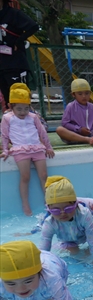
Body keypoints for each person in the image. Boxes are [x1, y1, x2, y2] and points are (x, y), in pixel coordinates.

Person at [1, 83, 54, 216]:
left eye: (26, 108)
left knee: (44, 175)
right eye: (19, 109)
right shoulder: (7, 118)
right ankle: (25, 204)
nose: (23, 112)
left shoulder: (33, 117)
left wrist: (48, 147)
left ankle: (49, 202)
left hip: (37, 148)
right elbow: (5, 135)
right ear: (11, 106)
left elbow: (42, 132)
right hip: (20, 150)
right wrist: (5, 150)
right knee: (25, 176)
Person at [0, 240, 75, 300]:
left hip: (54, 262)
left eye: (28, 281)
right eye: (11, 284)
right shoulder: (1, 284)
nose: (21, 289)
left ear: (40, 273)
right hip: (32, 260)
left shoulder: (52, 279)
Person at [40, 176, 93, 256]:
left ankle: (88, 253)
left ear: (75, 204)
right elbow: (43, 251)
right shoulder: (50, 223)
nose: (63, 213)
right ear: (49, 209)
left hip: (85, 236)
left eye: (68, 209)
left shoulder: (84, 214)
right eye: (56, 210)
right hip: (68, 242)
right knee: (72, 251)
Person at [0, 0, 39, 110]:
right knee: (7, 99)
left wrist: (19, 41)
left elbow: (33, 26)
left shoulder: (13, 13)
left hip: (15, 62)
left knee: (20, 98)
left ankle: (27, 119)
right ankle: (10, 120)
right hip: (1, 63)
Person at [55, 78, 93, 145]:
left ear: (90, 93)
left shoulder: (91, 106)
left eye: (87, 93)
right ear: (73, 94)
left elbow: (92, 124)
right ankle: (86, 140)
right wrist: (79, 129)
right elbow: (64, 123)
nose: (84, 96)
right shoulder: (70, 106)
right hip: (75, 135)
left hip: (90, 133)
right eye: (80, 94)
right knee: (59, 129)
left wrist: (90, 131)